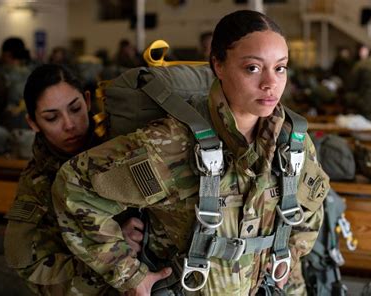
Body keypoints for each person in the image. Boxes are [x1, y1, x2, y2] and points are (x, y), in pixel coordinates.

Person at [52, 10, 328, 295]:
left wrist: (290, 255)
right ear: (218, 66)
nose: (270, 83)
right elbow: (74, 185)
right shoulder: (173, 144)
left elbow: (310, 206)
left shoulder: (291, 141)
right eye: (253, 68)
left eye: (280, 67)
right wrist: (129, 274)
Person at [4, 64, 144, 295]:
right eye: (52, 118)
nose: (69, 124)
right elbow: (32, 270)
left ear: (88, 101)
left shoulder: (121, 143)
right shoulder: (37, 185)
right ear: (33, 123)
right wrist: (110, 252)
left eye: (76, 108)